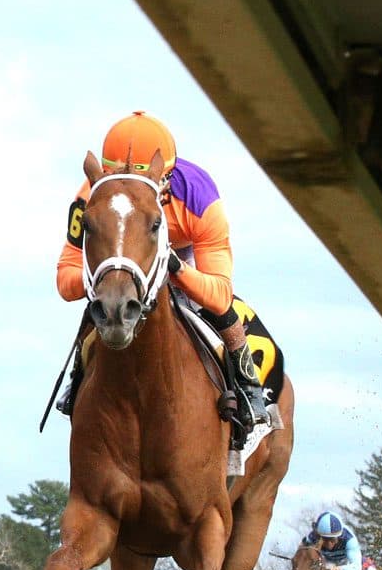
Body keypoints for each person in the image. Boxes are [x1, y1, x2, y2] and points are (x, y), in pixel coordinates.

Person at [54, 110, 268, 432]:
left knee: (218, 312)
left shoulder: (200, 197)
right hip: (122, 260)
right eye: (120, 179)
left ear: (167, 175)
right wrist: (98, 279)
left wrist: (175, 267)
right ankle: (78, 380)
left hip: (181, 254)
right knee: (100, 308)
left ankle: (248, 392)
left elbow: (221, 294)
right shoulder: (91, 197)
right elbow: (65, 279)